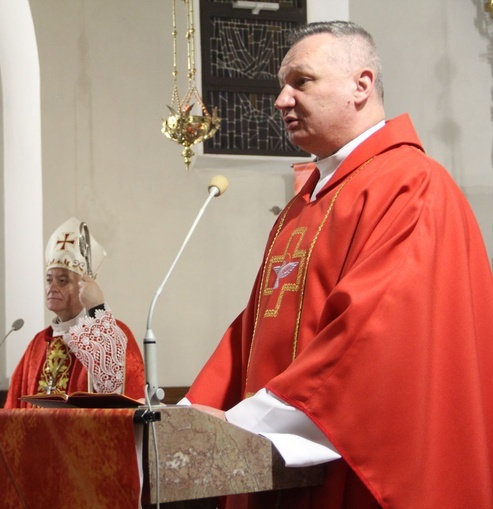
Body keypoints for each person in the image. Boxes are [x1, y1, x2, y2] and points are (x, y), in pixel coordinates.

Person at [184, 21, 493, 508]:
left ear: (361, 85)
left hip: (354, 471)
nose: (282, 100)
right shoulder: (303, 205)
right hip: (275, 464)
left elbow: (374, 334)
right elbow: (256, 327)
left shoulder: (412, 187)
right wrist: (193, 412)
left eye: (300, 81)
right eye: (281, 86)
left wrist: (246, 422)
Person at [5, 217, 146, 408]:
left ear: (83, 286)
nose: (52, 287)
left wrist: (97, 309)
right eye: (49, 280)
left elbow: (116, 391)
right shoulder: (38, 344)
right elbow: (13, 408)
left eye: (62, 281)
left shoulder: (111, 335)